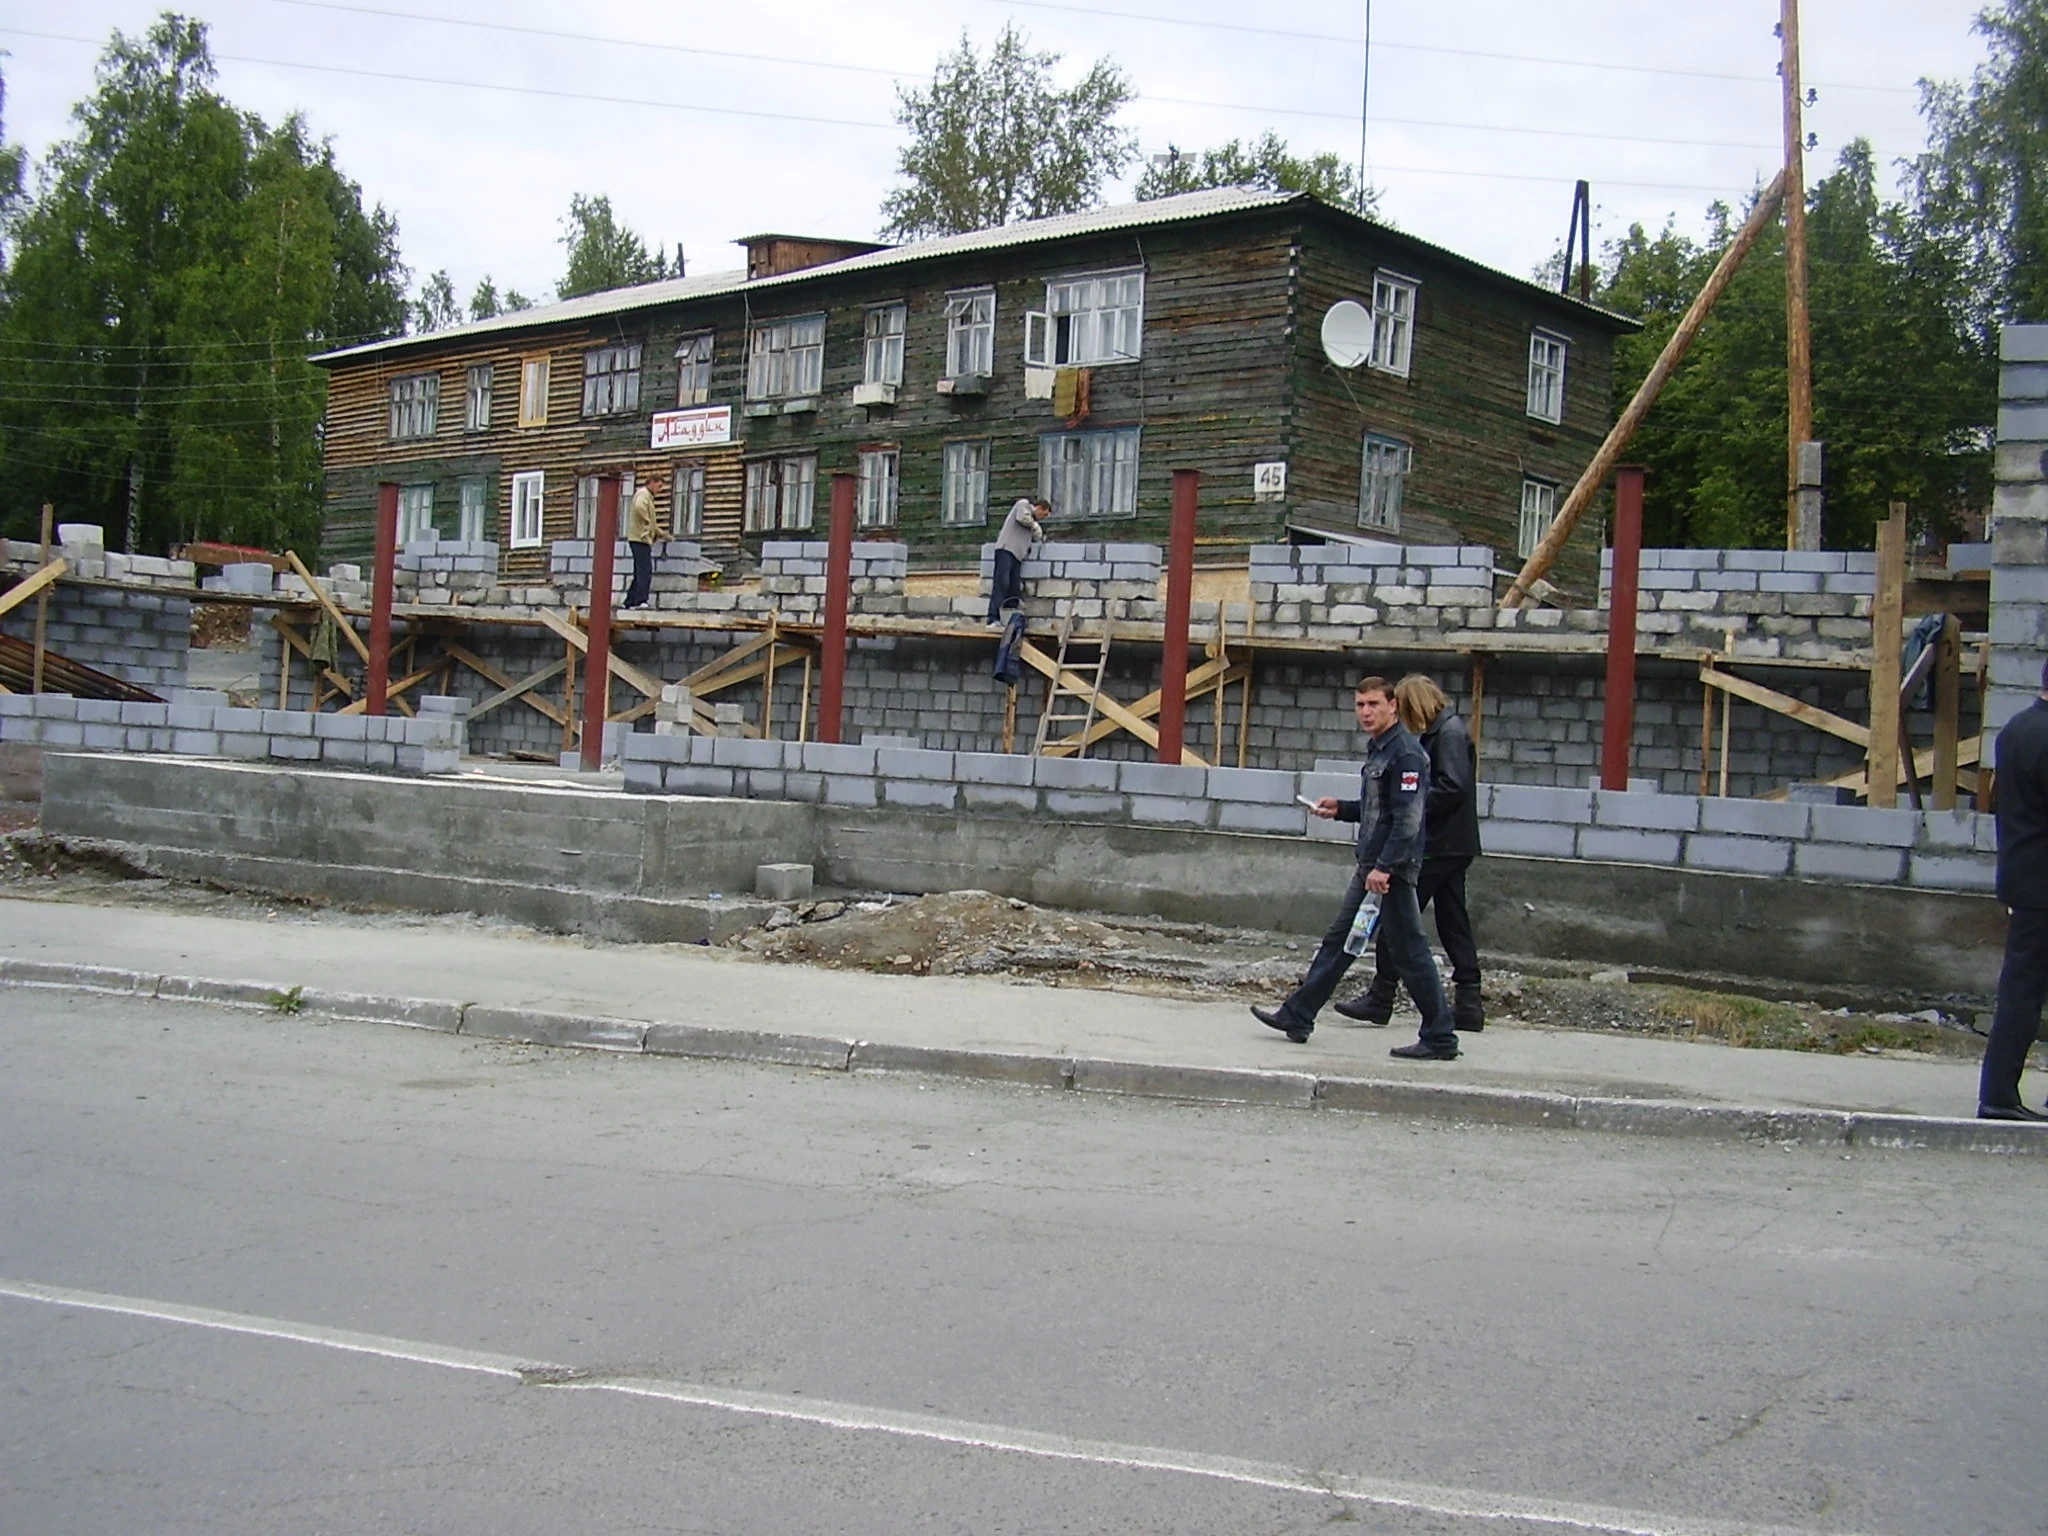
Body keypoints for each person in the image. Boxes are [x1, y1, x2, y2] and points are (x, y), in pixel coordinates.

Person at [1252, 675, 1460, 1060]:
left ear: (1393, 706)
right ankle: (1299, 1013)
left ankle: (1440, 1036)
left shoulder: (1406, 754)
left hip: (1390, 872)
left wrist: (1385, 868)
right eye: (1360, 705)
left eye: (1374, 704)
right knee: (1341, 939)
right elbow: (1381, 809)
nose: (1366, 712)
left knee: (1409, 951)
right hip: (1372, 867)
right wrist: (1341, 809)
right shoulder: (1381, 748)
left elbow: (1407, 820)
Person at [1335, 673, 1484, 1032]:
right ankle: (1468, 1001)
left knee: (1399, 922)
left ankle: (1382, 996)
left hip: (1438, 844)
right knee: (1452, 921)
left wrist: (1407, 804)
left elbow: (1451, 788)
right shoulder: (1444, 732)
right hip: (1453, 843)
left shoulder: (1447, 735)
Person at [1979, 658, 2048, 1121]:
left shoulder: (2016, 729)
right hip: (2043, 884)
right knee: (2023, 994)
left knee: (2021, 989)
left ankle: (1999, 1093)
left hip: (2025, 877)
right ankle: (1999, 1097)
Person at [987, 496, 1048, 624]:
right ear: (1039, 507)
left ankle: (1009, 620)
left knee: (1013, 589)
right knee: (1002, 583)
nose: (1043, 517)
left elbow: (1032, 537)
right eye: (1044, 514)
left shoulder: (1031, 522)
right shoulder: (1023, 504)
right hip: (1006, 550)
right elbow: (1022, 518)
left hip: (1017, 556)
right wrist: (1035, 526)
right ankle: (992, 618)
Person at [622, 480, 661, 609]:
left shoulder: (645, 495)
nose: (659, 490)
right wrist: (648, 521)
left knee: (639, 571)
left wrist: (660, 532)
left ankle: (630, 601)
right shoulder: (643, 494)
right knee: (645, 571)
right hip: (640, 539)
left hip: (637, 538)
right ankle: (641, 600)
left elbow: (651, 523)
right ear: (651, 483)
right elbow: (639, 507)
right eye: (659, 486)